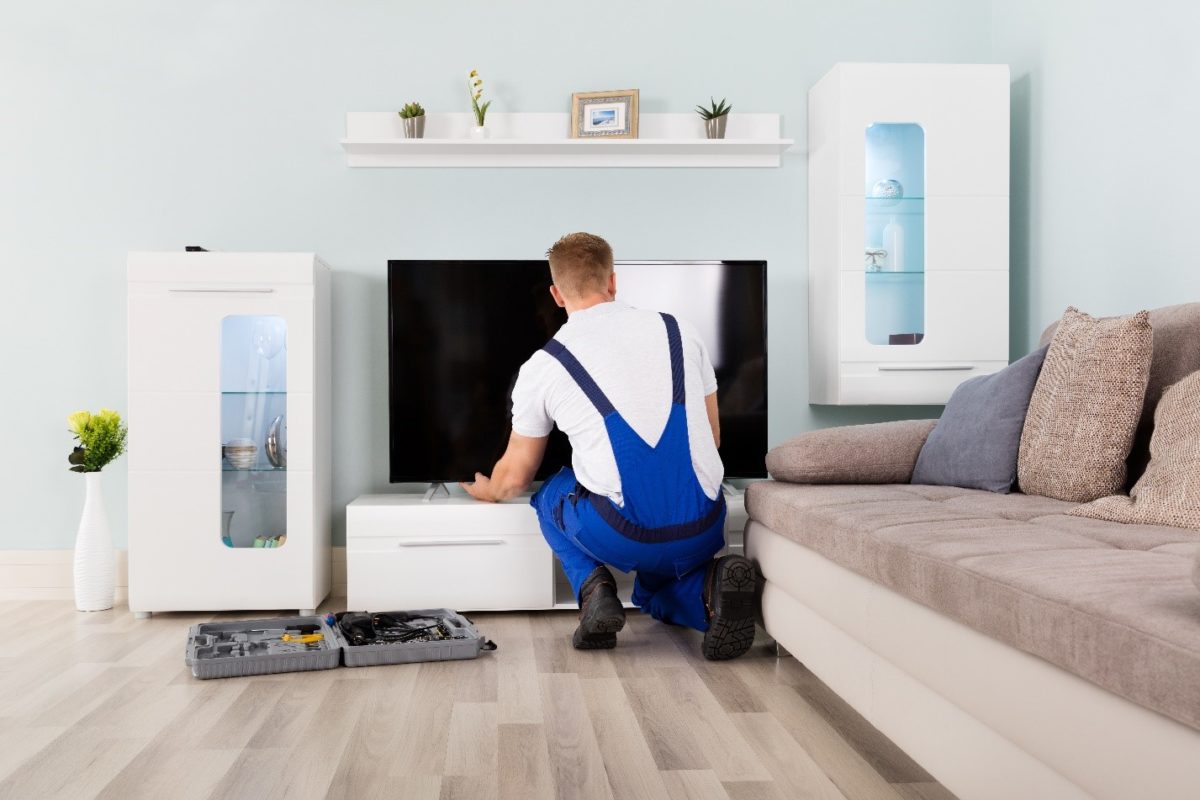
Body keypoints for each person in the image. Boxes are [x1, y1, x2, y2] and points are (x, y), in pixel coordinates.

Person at [461, 232, 758, 660]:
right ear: (613, 282)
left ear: (556, 294)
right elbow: (712, 438)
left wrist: (486, 489)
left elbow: (517, 474)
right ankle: (710, 591)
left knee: (547, 495)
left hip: (623, 533)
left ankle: (594, 590)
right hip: (706, 522)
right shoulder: (681, 332)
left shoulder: (545, 364)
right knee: (654, 586)